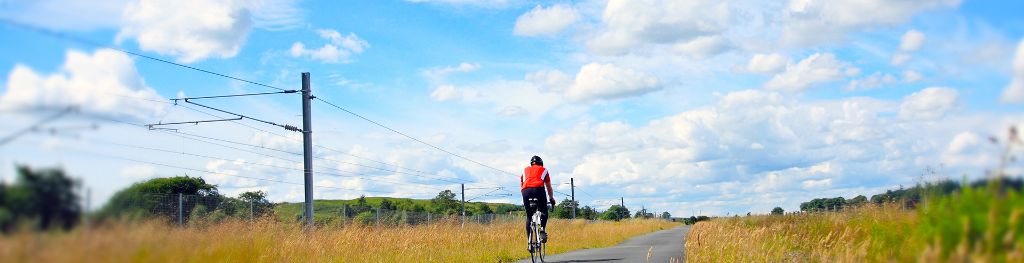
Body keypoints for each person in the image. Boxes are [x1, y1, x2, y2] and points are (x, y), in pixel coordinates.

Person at [521, 155, 555, 249]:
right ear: (541, 163)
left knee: (529, 216)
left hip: (526, 191)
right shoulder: (544, 170)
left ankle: (529, 243)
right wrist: (551, 199)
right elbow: (548, 187)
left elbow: (522, 184)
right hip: (538, 190)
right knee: (544, 210)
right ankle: (542, 229)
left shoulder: (525, 170)